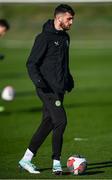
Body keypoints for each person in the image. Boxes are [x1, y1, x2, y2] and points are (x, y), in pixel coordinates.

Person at [19, 4, 75, 175]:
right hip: (46, 89)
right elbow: (31, 63)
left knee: (48, 123)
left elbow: (64, 62)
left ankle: (26, 159)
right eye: (69, 19)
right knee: (61, 121)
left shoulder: (65, 38)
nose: (71, 22)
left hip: (59, 89)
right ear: (59, 18)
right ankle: (56, 162)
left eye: (72, 19)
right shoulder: (43, 38)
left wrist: (69, 79)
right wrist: (39, 82)